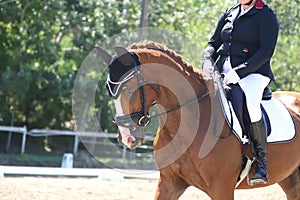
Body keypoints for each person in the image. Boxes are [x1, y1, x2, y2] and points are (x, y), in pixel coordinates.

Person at [202, 0, 279, 185]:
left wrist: (240, 72)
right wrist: (207, 60)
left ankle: (261, 163)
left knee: (251, 105)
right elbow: (213, 42)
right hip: (222, 71)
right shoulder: (229, 12)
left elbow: (266, 51)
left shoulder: (266, 15)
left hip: (253, 73)